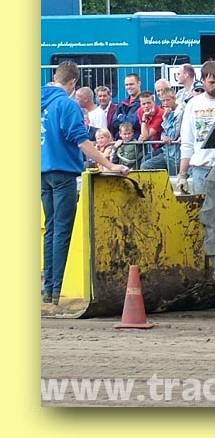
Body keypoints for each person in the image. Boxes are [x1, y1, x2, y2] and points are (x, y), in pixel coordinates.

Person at [41, 62, 128, 304]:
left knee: (50, 228)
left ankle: (48, 289)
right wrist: (110, 164)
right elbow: (82, 142)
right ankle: (59, 288)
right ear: (73, 82)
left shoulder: (39, 101)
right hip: (63, 172)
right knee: (62, 230)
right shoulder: (67, 105)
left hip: (42, 171)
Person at [177, 61, 215, 194]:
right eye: (211, 82)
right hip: (201, 168)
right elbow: (187, 142)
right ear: (202, 80)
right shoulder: (193, 104)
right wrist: (182, 175)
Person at [141, 88, 182, 174]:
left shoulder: (180, 112)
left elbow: (173, 135)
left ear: (174, 99)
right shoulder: (169, 112)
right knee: (145, 165)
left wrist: (165, 119)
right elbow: (164, 132)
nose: (165, 103)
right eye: (163, 101)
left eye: (168, 100)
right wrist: (163, 136)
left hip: (176, 153)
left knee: (173, 177)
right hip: (167, 151)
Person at [110, 73, 142, 139]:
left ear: (139, 83)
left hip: (137, 141)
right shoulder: (122, 104)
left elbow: (135, 122)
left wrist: (120, 117)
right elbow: (114, 123)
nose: (128, 87)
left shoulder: (144, 103)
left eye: (131, 84)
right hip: (121, 141)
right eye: (126, 85)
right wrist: (127, 119)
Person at [137, 91, 165, 160]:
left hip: (163, 146)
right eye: (143, 104)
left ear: (154, 102)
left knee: (145, 162)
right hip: (152, 146)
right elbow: (144, 134)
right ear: (140, 104)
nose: (146, 106)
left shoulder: (160, 113)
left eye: (149, 103)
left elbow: (145, 136)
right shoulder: (140, 111)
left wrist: (144, 118)